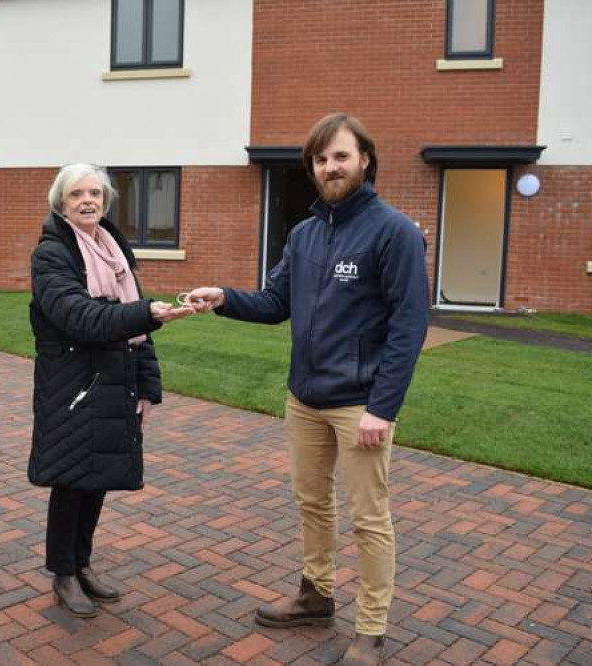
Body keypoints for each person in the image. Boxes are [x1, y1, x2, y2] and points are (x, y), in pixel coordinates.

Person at [185, 113, 428, 666]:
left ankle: (371, 629)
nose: (329, 167)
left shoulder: (395, 233)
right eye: (320, 159)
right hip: (305, 399)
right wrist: (224, 297)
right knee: (311, 503)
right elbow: (276, 304)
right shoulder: (305, 233)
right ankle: (316, 595)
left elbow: (409, 327)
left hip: (359, 404)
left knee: (369, 518)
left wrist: (382, 409)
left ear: (365, 159)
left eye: (340, 156)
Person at [28, 163, 189, 618]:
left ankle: (82, 564)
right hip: (71, 385)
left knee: (96, 478)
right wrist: (146, 312)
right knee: (71, 478)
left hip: (114, 380)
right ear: (61, 202)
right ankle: (62, 573)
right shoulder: (51, 255)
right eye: (77, 193)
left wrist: (147, 386)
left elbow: (138, 333)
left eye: (95, 193)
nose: (88, 200)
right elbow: (80, 316)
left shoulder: (114, 251)